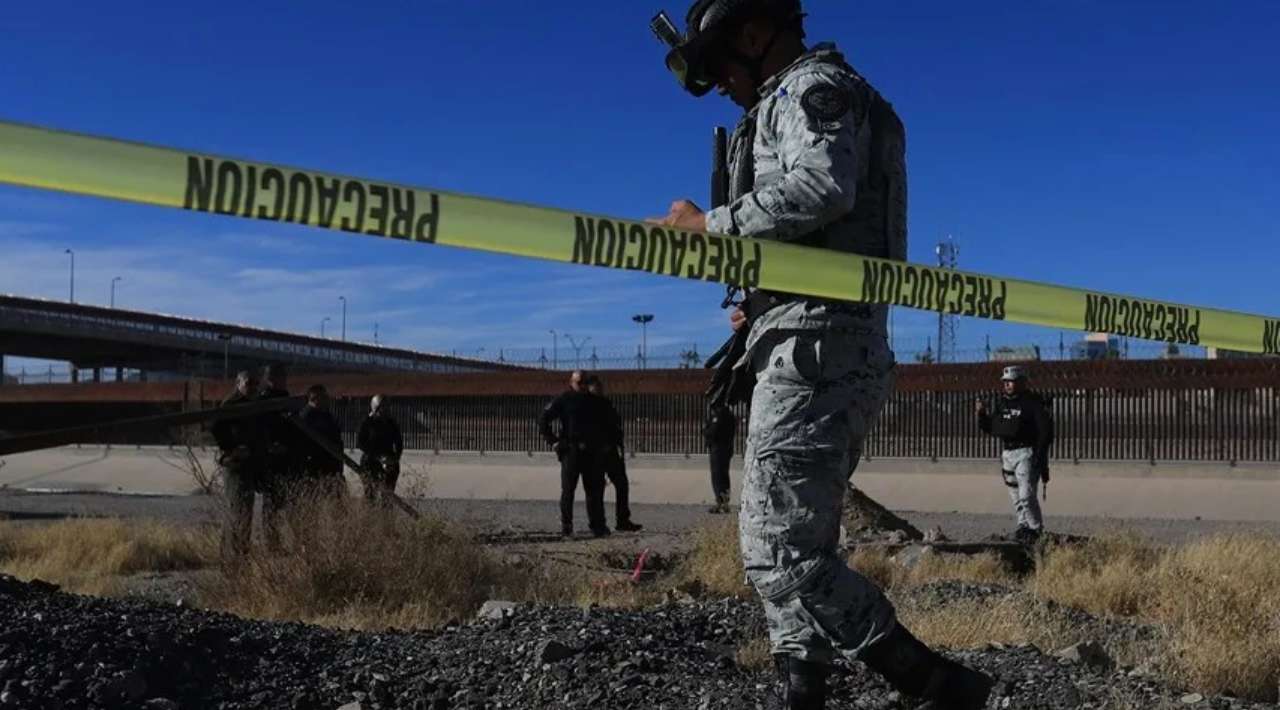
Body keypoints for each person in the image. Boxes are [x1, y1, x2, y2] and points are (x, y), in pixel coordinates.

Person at [651, 2, 993, 707]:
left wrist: (711, 227)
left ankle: (935, 684)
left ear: (754, 34)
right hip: (804, 334)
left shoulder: (813, 88)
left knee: (777, 546)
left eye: (720, 63)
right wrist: (759, 295)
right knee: (793, 536)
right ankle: (802, 685)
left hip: (818, 343)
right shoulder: (794, 97)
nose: (720, 84)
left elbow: (822, 186)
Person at [977, 365, 1054, 545]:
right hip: (1007, 454)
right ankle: (1023, 526)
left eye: (1011, 381)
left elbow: (1045, 431)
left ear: (1021, 382)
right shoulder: (1001, 403)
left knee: (1026, 494)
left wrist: (1039, 456)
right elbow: (992, 427)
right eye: (1005, 382)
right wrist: (981, 414)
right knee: (1016, 496)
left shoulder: (1032, 403)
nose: (1007, 385)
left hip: (1026, 452)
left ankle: (1036, 529)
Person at [537, 370, 609, 537]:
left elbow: (603, 425)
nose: (582, 386)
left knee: (594, 491)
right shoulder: (564, 399)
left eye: (585, 382)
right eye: (579, 382)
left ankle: (597, 525)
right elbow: (543, 419)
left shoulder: (594, 401)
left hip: (591, 452)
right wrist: (553, 441)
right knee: (568, 490)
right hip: (571, 450)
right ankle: (567, 526)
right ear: (571, 383)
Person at [210, 370, 261, 555]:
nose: (253, 387)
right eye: (248, 383)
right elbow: (215, 426)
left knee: (244, 510)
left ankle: (239, 552)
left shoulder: (252, 403)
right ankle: (232, 554)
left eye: (255, 384)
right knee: (237, 509)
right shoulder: (232, 403)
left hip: (248, 463)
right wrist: (231, 449)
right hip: (236, 464)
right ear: (238, 384)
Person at [584, 376, 643, 532]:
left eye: (600, 386)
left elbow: (614, 424)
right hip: (595, 452)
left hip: (611, 450)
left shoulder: (605, 404)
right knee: (597, 489)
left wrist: (617, 443)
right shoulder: (586, 406)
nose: (599, 389)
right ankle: (598, 523)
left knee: (621, 484)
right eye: (596, 387)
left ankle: (622, 519)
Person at [256, 363, 296, 550]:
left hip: (288, 458)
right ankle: (271, 543)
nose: (284, 380)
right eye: (281, 377)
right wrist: (269, 446)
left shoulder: (286, 399)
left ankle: (292, 542)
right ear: (271, 379)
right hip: (271, 460)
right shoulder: (263, 400)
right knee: (271, 504)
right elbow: (258, 428)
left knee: (291, 502)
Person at [294, 383, 347, 501]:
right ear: (314, 398)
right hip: (317, 468)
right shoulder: (306, 417)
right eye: (324, 397)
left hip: (332, 466)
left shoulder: (326, 415)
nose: (327, 399)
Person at [357, 394, 405, 506]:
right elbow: (360, 443)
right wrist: (377, 457)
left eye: (387, 406)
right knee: (370, 495)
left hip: (388, 461)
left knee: (387, 496)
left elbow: (399, 443)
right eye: (383, 407)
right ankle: (370, 514)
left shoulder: (391, 423)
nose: (386, 409)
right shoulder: (368, 422)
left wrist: (395, 458)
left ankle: (386, 514)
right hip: (370, 461)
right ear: (376, 408)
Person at [704, 403, 737, 513]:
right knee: (724, 474)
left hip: (718, 448)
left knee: (717, 475)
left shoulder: (718, 415)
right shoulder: (730, 415)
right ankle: (725, 502)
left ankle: (720, 501)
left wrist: (705, 431)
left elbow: (713, 431)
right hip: (727, 447)